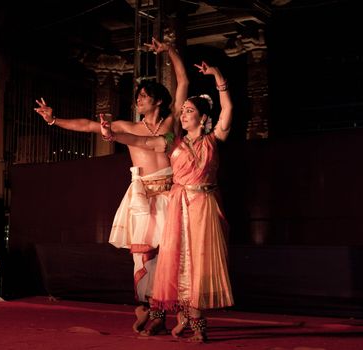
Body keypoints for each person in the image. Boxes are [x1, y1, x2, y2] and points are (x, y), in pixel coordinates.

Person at [34, 38, 189, 334]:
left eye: (144, 96)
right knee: (143, 256)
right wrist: (54, 120)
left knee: (174, 254)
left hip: (170, 193)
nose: (138, 100)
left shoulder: (173, 123)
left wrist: (170, 51)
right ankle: (149, 308)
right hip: (142, 195)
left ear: (158, 100)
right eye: (137, 97)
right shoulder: (126, 127)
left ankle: (176, 308)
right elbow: (88, 125)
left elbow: (182, 81)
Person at [100, 60, 234, 342]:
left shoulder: (214, 139)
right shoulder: (173, 140)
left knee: (198, 263)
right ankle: (160, 316)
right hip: (178, 205)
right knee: (169, 260)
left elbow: (228, 110)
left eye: (189, 111)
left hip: (205, 207)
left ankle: (197, 324)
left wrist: (218, 76)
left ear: (202, 117)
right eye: (182, 110)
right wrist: (113, 134)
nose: (183, 115)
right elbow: (141, 142)